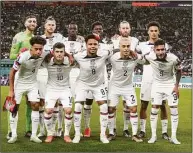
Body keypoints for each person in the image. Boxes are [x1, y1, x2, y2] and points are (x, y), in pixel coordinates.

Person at [142, 39, 181, 144]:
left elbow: (179, 71)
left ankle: (173, 136)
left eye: (162, 49)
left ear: (165, 49)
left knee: (174, 109)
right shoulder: (149, 56)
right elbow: (141, 59)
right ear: (154, 50)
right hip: (157, 85)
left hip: (170, 84)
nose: (160, 52)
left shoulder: (174, 58)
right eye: (158, 50)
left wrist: (176, 86)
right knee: (154, 109)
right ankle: (153, 136)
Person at [8, 36, 47, 143]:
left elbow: (56, 53)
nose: (39, 51)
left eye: (41, 49)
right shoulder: (23, 56)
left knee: (35, 105)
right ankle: (13, 135)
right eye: (36, 49)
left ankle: (34, 135)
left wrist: (68, 56)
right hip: (19, 83)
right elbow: (12, 72)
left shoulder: (44, 54)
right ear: (31, 48)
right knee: (14, 108)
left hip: (33, 84)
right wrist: (11, 90)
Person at [72, 34, 110, 143]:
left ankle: (103, 135)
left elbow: (116, 51)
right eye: (90, 44)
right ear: (86, 45)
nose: (92, 46)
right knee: (78, 106)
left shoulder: (104, 53)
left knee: (104, 107)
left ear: (98, 45)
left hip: (98, 84)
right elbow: (68, 56)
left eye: (95, 44)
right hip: (82, 84)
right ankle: (77, 134)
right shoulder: (79, 55)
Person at [136, 21, 170, 140]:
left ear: (159, 32)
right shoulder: (141, 45)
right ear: (148, 32)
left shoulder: (165, 46)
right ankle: (142, 130)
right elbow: (137, 58)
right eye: (151, 31)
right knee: (144, 104)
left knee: (162, 105)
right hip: (147, 79)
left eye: (156, 31)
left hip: (161, 80)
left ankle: (164, 132)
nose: (154, 33)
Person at [107, 37, 143, 143]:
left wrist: (137, 55)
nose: (126, 48)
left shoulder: (135, 57)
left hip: (128, 87)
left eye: (128, 46)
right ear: (119, 47)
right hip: (114, 87)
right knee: (111, 109)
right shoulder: (113, 58)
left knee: (133, 109)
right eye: (124, 46)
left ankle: (135, 135)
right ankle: (111, 133)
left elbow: (146, 60)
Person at [8, 15, 37, 139]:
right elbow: (11, 55)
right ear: (25, 23)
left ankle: (28, 130)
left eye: (34, 21)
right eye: (30, 21)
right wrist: (20, 53)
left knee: (31, 104)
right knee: (14, 104)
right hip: (19, 75)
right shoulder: (18, 37)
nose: (32, 23)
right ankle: (10, 131)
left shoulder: (37, 39)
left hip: (32, 76)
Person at [83, 21, 113, 137]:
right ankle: (86, 127)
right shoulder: (86, 43)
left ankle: (103, 130)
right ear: (92, 30)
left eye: (100, 29)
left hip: (102, 76)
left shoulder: (107, 45)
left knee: (103, 103)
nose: (98, 30)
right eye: (96, 29)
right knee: (88, 103)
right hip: (88, 76)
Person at [110, 20, 139, 137]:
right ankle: (113, 129)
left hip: (128, 74)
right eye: (123, 28)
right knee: (112, 106)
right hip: (115, 75)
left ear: (130, 29)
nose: (125, 30)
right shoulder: (114, 40)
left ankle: (126, 128)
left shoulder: (135, 40)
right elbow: (111, 52)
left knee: (128, 105)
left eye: (127, 28)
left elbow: (138, 54)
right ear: (119, 29)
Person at [37, 16, 64, 138]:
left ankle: (58, 128)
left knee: (58, 101)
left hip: (55, 72)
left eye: (53, 25)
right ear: (44, 26)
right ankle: (43, 130)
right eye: (49, 25)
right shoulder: (40, 39)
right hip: (42, 72)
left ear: (55, 26)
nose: (51, 27)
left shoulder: (60, 38)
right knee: (42, 102)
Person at [42, 42, 73, 143]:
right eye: (57, 52)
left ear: (64, 53)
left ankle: (66, 134)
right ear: (53, 52)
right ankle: (50, 133)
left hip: (65, 89)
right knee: (48, 111)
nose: (59, 54)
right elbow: (40, 54)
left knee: (68, 110)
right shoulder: (47, 61)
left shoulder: (70, 61)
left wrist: (69, 55)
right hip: (51, 89)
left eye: (61, 52)